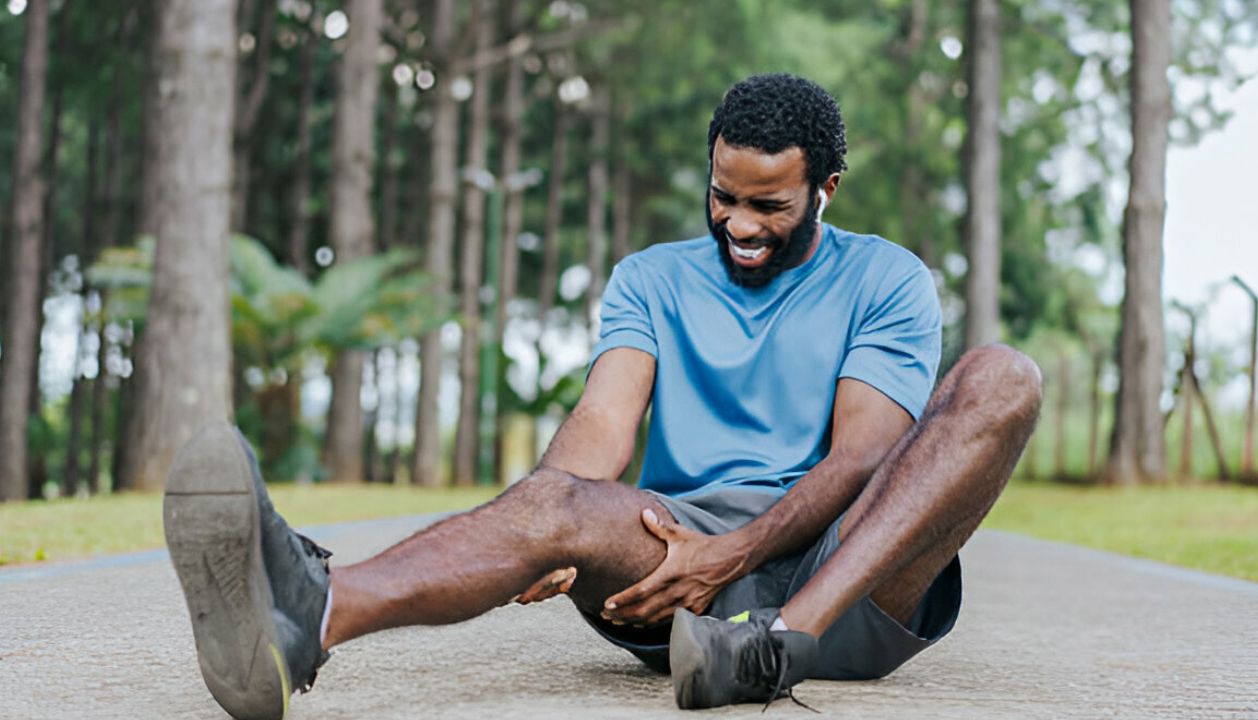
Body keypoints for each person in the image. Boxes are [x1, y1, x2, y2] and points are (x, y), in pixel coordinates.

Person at [164, 73, 1041, 720]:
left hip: (847, 574)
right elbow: (602, 422)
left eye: (768, 206)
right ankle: (308, 614)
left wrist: (735, 554)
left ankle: (776, 648)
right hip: (673, 566)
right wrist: (549, 514)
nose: (738, 224)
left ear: (825, 191)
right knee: (554, 498)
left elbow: (862, 459)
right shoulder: (651, 279)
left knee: (1003, 374)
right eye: (722, 195)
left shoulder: (885, 278)